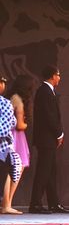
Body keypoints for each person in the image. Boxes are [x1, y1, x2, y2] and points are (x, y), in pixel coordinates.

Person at [29, 65, 69, 214]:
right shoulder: (44, 91)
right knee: (43, 171)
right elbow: (49, 116)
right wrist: (59, 133)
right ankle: (35, 204)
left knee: (51, 172)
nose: (59, 78)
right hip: (45, 139)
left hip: (49, 139)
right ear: (53, 76)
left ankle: (54, 203)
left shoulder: (48, 91)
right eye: (58, 75)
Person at [2, 75, 34, 214]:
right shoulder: (18, 100)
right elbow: (20, 125)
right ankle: (7, 204)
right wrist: (27, 124)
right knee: (14, 169)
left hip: (8, 136)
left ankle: (6, 204)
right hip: (16, 137)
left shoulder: (9, 97)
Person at [0, 75, 22, 214]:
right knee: (13, 166)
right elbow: (8, 126)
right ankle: (6, 205)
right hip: (3, 147)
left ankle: (6, 204)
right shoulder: (5, 103)